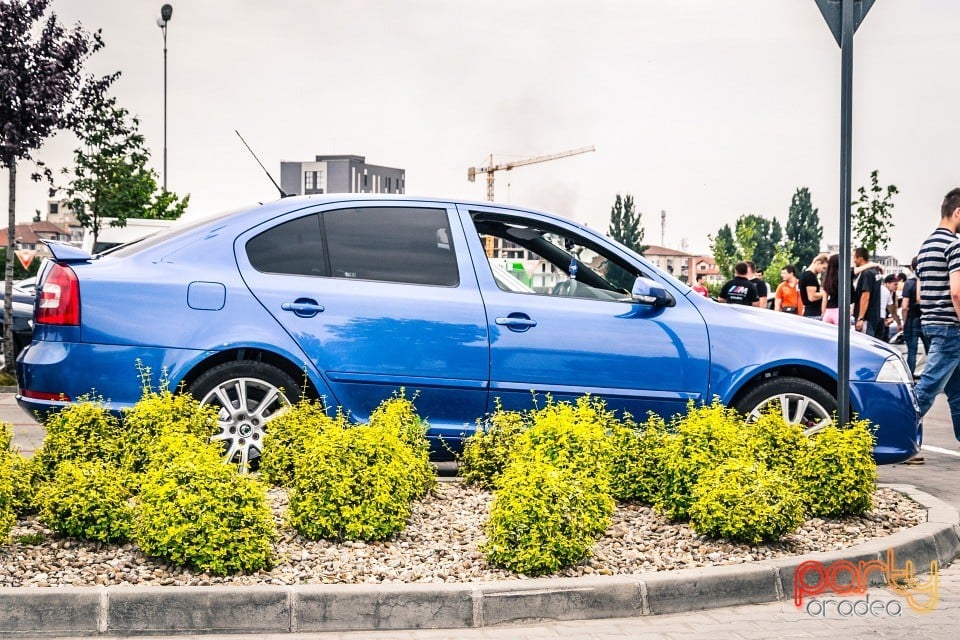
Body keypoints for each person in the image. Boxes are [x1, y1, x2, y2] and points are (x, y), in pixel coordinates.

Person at [912, 187, 960, 464]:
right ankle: (899, 438)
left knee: (956, 390)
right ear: (957, 213)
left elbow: (920, 293)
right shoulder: (954, 245)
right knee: (927, 388)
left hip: (931, 323)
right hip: (950, 327)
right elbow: (956, 292)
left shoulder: (927, 245)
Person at [900, 256, 930, 377]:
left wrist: (904, 321)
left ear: (912, 267)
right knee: (931, 352)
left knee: (912, 352)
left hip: (912, 320)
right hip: (926, 319)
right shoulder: (927, 282)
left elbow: (904, 306)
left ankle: (910, 378)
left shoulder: (909, 283)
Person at [852, 247, 883, 338]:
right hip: (874, 315)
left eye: (854, 258)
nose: (854, 261)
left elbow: (865, 296)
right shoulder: (875, 272)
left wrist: (860, 318)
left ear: (860, 258)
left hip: (866, 318)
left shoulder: (866, 274)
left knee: (864, 343)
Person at [799, 254, 828, 321]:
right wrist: (824, 293)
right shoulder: (810, 276)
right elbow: (812, 297)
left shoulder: (805, 274)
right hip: (813, 314)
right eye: (823, 268)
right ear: (818, 263)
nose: (823, 271)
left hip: (810, 312)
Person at [880, 273, 902, 342]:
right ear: (887, 283)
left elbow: (894, 310)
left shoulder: (894, 295)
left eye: (897, 284)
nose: (896, 287)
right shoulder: (881, 291)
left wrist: (892, 319)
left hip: (887, 322)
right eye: (894, 284)